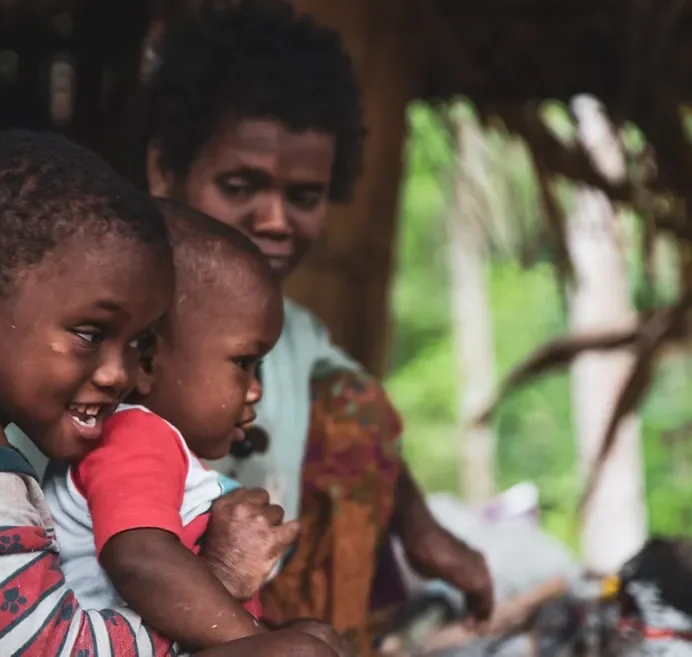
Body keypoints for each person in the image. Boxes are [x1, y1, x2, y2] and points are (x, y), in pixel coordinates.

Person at [0, 129, 333, 657]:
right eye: (90, 334)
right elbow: (57, 648)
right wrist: (220, 581)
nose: (119, 374)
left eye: (137, 345)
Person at [136, 2, 495, 653]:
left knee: (356, 409)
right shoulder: (116, 323)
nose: (275, 219)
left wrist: (421, 528)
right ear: (165, 170)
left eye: (304, 197)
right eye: (242, 183)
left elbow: (366, 419)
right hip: (133, 610)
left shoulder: (299, 333)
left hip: (264, 597)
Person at [45, 201, 350, 655]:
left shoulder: (161, 447)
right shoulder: (133, 434)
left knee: (316, 638)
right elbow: (138, 560)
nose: (255, 392)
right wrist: (256, 640)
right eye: (244, 364)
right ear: (148, 361)